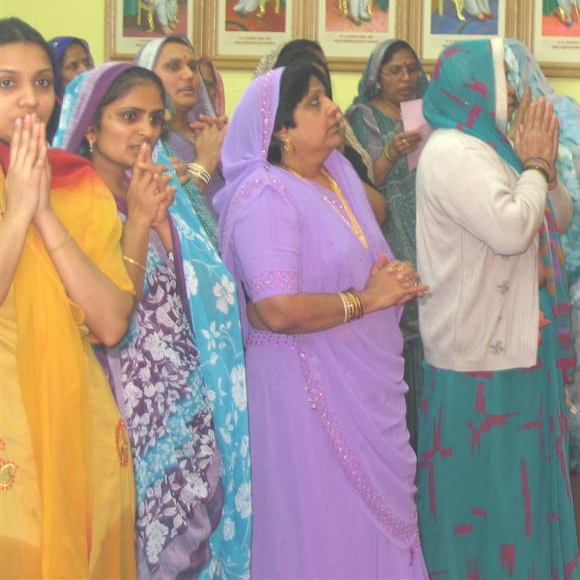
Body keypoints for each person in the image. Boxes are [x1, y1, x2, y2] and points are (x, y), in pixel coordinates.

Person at [214, 61, 428, 578]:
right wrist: (367, 300)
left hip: (360, 382)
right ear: (280, 130)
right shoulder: (266, 195)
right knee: (323, 523)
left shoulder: (336, 176)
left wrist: (387, 276)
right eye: (313, 101)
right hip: (304, 393)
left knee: (373, 518)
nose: (333, 108)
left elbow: (356, 261)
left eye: (326, 96)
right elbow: (277, 309)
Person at [53, 62, 253, 578]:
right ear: (90, 128)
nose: (145, 131)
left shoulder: (150, 188)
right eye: (128, 116)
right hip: (114, 408)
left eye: (156, 119)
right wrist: (140, 221)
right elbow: (110, 314)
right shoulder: (69, 205)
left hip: (177, 403)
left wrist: (166, 227)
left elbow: (209, 292)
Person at [415, 38, 580, 579]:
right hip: (477, 356)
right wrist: (533, 165)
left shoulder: (490, 147)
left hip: (513, 341)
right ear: (475, 86)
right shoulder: (451, 152)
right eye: (504, 79)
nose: (514, 90)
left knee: (519, 491)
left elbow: (559, 214)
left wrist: (542, 170)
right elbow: (513, 230)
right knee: (485, 498)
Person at [0, 17, 136, 578]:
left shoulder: (79, 182)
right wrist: (18, 210)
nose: (30, 100)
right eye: (7, 84)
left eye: (42, 83)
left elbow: (109, 323)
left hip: (83, 434)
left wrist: (46, 213)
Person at [505, 38, 580, 471]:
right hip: (511, 254)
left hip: (566, 251)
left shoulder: (561, 110)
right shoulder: (483, 124)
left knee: (570, 355)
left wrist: (538, 154)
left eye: (511, 77)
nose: (508, 89)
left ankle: (569, 446)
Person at [346, 38, 428, 447]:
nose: (406, 78)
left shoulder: (423, 110)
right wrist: (392, 153)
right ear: (376, 76)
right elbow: (363, 182)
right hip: (388, 227)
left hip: (426, 222)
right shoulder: (360, 118)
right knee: (400, 324)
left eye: (411, 69)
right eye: (395, 70)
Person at [256, 39, 386, 224]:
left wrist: (338, 160)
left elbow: (378, 215)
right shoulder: (266, 186)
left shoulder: (338, 148)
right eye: (314, 101)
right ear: (282, 126)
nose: (334, 107)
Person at [136, 36, 226, 224]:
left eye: (193, 67)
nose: (189, 75)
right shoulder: (145, 142)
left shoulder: (212, 133)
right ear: (147, 75)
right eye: (173, 67)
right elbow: (169, 212)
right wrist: (204, 163)